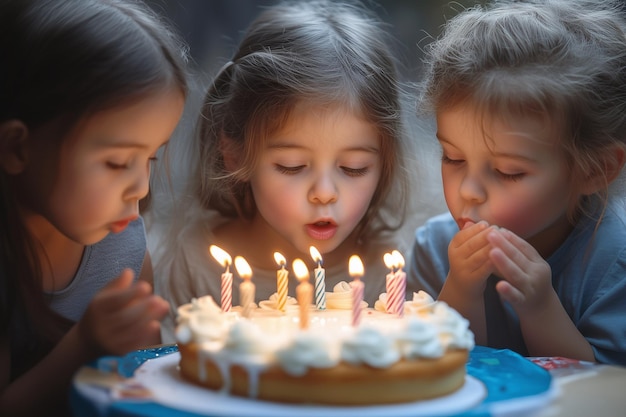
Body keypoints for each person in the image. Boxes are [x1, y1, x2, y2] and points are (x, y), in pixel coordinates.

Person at [156, 0, 413, 342]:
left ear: (384, 163)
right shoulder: (197, 264)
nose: (324, 192)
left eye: (354, 168)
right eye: (292, 167)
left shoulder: (385, 270)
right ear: (235, 154)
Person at [407, 0, 626, 365]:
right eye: (453, 158)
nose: (468, 191)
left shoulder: (613, 265)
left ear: (595, 170)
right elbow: (436, 373)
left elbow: (603, 389)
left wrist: (540, 308)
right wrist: (460, 291)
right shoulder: (435, 248)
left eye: (508, 171)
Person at [0, 0, 188, 415]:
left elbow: (136, 391)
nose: (140, 186)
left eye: (151, 158)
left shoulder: (124, 253)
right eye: (118, 162)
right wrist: (84, 345)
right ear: (17, 148)